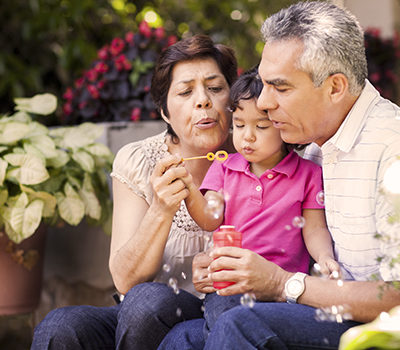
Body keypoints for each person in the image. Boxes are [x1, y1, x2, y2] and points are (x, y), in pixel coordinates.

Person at [158, 2, 400, 349]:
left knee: (240, 325)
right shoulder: (313, 141)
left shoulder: (392, 150)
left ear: (334, 88)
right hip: (323, 307)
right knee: (181, 337)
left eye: (280, 88)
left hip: (372, 329)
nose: (266, 103)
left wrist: (282, 282)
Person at [31, 34, 238, 350]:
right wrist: (161, 210)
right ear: (165, 111)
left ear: (233, 98)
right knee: (61, 326)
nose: (203, 100)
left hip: (215, 315)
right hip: (139, 320)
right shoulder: (140, 159)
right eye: (185, 91)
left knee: (146, 301)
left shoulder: (255, 157)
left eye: (215, 88)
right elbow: (125, 280)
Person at [182, 66, 339, 338]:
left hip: (281, 288)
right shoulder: (224, 167)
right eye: (239, 125)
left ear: (282, 124)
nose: (247, 136)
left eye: (261, 126)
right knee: (223, 313)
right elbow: (210, 217)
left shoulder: (308, 174)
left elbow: (314, 228)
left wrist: (325, 257)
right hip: (232, 282)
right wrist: (186, 187)